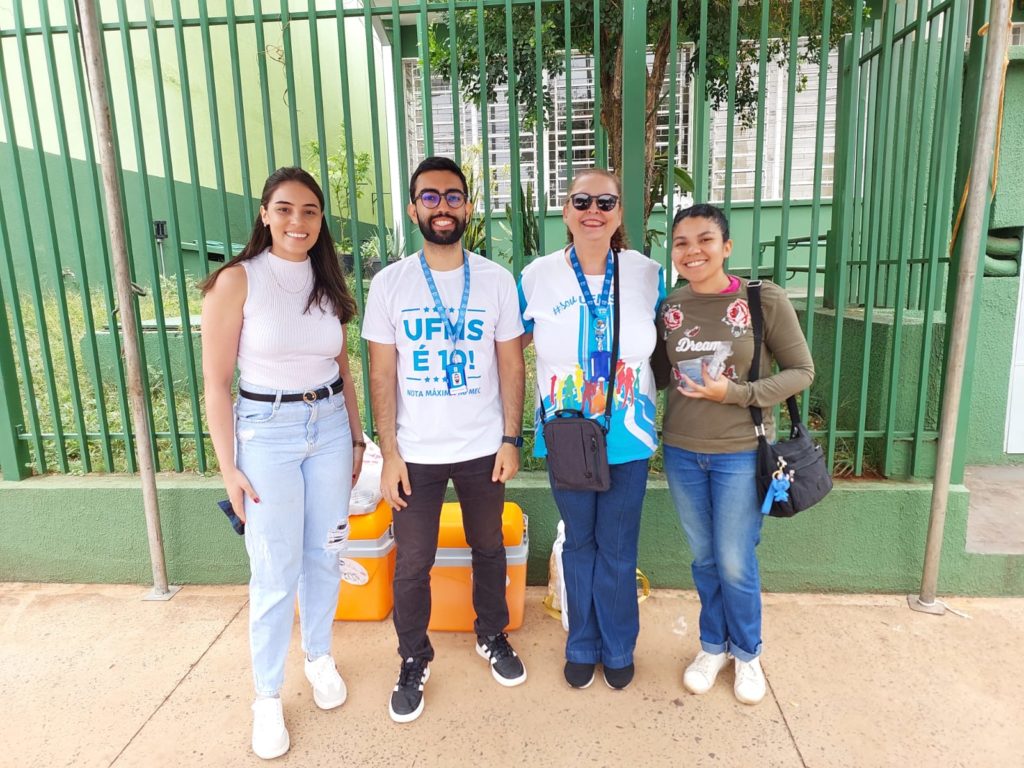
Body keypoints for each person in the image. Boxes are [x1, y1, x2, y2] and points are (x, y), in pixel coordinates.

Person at [200, 167, 364, 759]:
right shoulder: (237, 281)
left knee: (325, 552)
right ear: (265, 214)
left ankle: (318, 655)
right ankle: (266, 695)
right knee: (274, 566)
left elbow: (342, 367)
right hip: (266, 433)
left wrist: (356, 439)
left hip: (330, 427)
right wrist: (229, 469)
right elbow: (216, 384)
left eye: (310, 211)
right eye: (286, 209)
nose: (299, 221)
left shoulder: (327, 280)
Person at [362, 156, 527, 724]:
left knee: (489, 547)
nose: (441, 207)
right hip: (416, 453)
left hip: (482, 447)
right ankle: (413, 657)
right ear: (413, 209)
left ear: (468, 208)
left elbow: (511, 364)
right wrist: (389, 454)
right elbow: (381, 374)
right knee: (413, 562)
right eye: (429, 197)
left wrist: (510, 438)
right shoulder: (390, 284)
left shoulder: (496, 280)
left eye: (453, 196)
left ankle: (493, 635)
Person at [653, 203, 814, 705]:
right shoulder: (670, 308)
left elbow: (802, 372)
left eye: (705, 240)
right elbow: (655, 373)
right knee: (704, 558)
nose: (692, 251)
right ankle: (712, 646)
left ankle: (746, 653)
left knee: (735, 560)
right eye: (682, 243)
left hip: (741, 452)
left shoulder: (762, 299)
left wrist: (737, 394)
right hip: (682, 451)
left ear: (726, 247)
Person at [519, 168, 664, 691]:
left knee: (618, 546)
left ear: (619, 212)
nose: (593, 211)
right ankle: (581, 643)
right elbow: (508, 349)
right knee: (580, 543)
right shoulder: (537, 276)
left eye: (605, 201)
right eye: (582, 201)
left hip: (628, 433)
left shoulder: (647, 273)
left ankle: (618, 645)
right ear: (566, 211)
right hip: (567, 436)